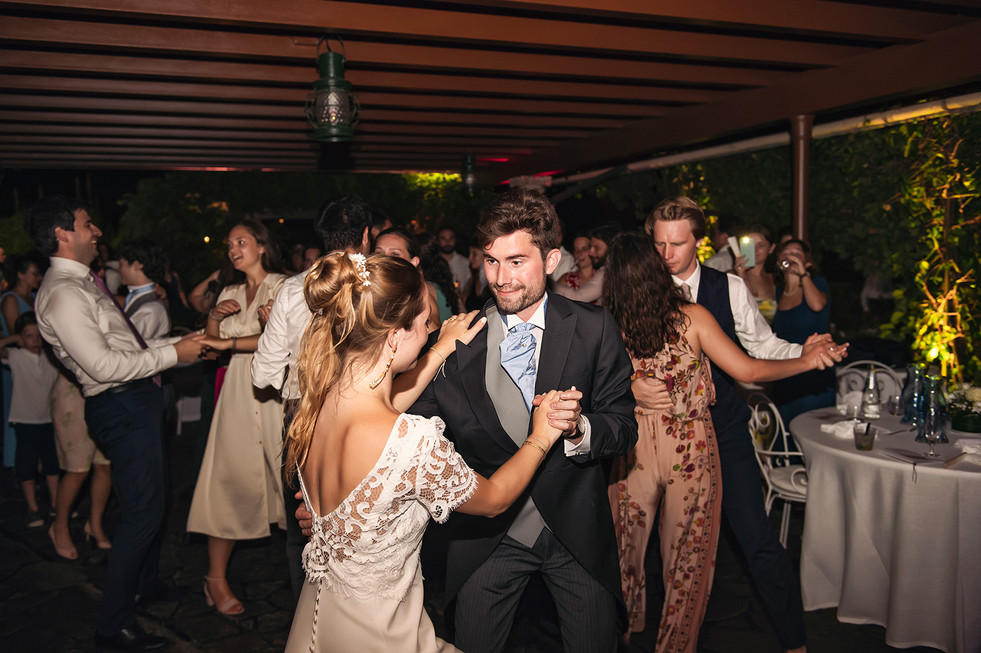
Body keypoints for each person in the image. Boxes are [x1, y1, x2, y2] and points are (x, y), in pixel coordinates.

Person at [283, 252, 567, 652]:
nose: (429, 332)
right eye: (424, 324)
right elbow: (493, 501)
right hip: (383, 635)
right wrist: (542, 434)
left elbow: (386, 407)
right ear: (394, 336)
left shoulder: (319, 405)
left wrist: (438, 352)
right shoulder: (412, 440)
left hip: (320, 621)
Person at [409, 188, 637, 653]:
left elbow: (624, 424)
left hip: (575, 533)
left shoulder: (593, 328)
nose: (501, 278)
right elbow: (408, 433)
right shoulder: (456, 341)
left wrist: (580, 429)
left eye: (516, 262)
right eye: (492, 261)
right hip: (486, 538)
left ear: (552, 260)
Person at [602, 233, 832, 652]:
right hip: (686, 446)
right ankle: (668, 644)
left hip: (637, 448)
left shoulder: (609, 324)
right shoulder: (691, 317)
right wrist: (807, 360)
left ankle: (624, 633)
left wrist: (627, 387)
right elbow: (748, 370)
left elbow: (589, 384)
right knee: (684, 559)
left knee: (624, 553)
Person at [28, 195, 205, 652]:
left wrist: (180, 342)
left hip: (133, 401)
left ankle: (146, 585)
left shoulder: (83, 284)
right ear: (62, 234)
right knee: (142, 513)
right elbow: (104, 367)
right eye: (88, 224)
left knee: (152, 502)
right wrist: (174, 354)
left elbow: (124, 348)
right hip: (119, 404)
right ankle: (113, 625)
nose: (97, 232)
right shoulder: (64, 292)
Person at [252, 195, 373, 606]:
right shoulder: (377, 282)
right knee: (361, 519)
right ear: (367, 236)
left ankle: (309, 618)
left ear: (322, 238)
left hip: (302, 415)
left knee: (302, 525)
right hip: (364, 416)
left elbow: (262, 375)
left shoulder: (291, 288)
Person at [186, 220, 287, 616]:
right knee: (227, 479)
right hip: (237, 396)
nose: (233, 249)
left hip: (274, 393)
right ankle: (215, 577)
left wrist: (224, 339)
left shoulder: (282, 286)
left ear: (261, 246)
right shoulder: (228, 291)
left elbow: (279, 339)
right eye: (229, 244)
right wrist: (213, 317)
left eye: (241, 242)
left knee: (289, 481)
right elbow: (210, 351)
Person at [0, 312, 60, 529]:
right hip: (24, 420)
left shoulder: (50, 358)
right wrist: (12, 339)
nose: (34, 341)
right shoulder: (16, 356)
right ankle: (32, 508)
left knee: (52, 463)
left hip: (48, 419)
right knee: (26, 464)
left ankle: (56, 503)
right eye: (28, 336)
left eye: (38, 336)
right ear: (20, 338)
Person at [772, 239, 836, 423]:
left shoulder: (818, 283)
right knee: (785, 431)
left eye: (797, 254)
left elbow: (817, 305)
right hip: (786, 369)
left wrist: (803, 274)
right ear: (778, 261)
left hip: (814, 371)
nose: (791, 257)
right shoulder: (778, 292)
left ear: (807, 262)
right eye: (787, 253)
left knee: (811, 428)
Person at [1, 254, 42, 469]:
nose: (38, 278)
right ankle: (16, 466)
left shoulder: (35, 298)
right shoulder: (10, 299)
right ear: (20, 275)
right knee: (17, 411)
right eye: (34, 274)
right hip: (17, 364)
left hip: (38, 361)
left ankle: (35, 465)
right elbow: (15, 333)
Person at [374, 226, 443, 331]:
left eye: (395, 254)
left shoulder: (422, 298)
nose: (385, 259)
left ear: (413, 262)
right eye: (378, 253)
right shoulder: (366, 293)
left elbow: (435, 335)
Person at [553, 222, 618, 305]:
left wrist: (547, 282)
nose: (591, 252)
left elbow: (577, 297)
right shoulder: (566, 278)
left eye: (585, 248)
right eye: (576, 249)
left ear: (610, 247)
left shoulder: (606, 273)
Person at [118, 239, 171, 339]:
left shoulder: (151, 309)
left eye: (121, 264)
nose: (119, 270)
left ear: (137, 265)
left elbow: (129, 345)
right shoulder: (138, 297)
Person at [732, 224, 778, 323]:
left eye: (761, 245)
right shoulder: (731, 276)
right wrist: (741, 275)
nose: (755, 250)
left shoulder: (774, 279)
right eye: (750, 245)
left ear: (771, 248)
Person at [436, 225, 470, 296]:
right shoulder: (433, 263)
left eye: (451, 238)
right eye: (443, 238)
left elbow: (468, 290)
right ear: (437, 241)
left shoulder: (466, 263)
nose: (447, 242)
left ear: (455, 240)